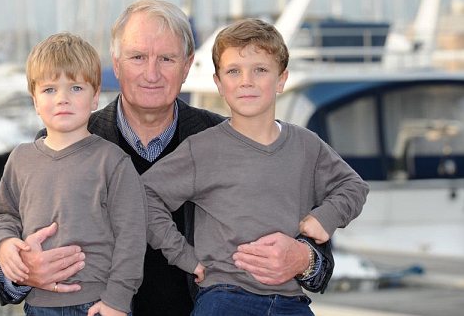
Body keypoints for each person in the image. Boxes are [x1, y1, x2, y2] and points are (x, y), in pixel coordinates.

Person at [0, 0, 335, 316]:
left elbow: (318, 256)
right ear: (117, 64)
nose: (152, 73)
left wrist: (304, 259)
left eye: (167, 59)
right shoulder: (63, 143)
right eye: (138, 57)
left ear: (187, 67)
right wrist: (21, 272)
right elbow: (4, 264)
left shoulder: (226, 141)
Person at [142, 18, 369, 316]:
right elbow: (144, 196)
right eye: (234, 71)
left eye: (260, 70)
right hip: (225, 297)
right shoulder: (203, 149)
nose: (246, 80)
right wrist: (185, 256)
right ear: (219, 83)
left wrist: (326, 216)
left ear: (281, 79)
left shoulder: (306, 145)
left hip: (291, 301)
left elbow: (354, 186)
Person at [0, 32, 147, 316]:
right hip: (38, 305)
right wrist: (4, 245)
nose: (62, 99)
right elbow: (4, 215)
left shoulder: (112, 161)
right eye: (49, 90)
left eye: (75, 88)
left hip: (98, 304)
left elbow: (131, 237)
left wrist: (117, 300)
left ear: (95, 96)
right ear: (35, 101)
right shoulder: (21, 159)